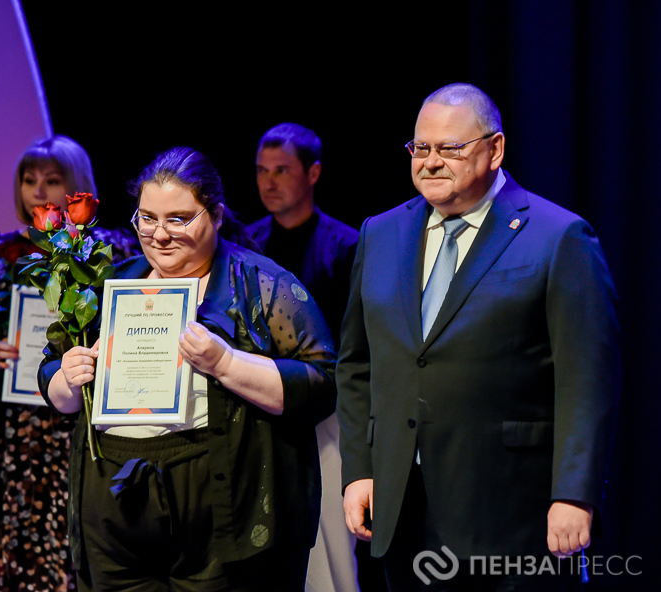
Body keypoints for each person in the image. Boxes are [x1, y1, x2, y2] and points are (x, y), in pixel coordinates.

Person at [337, 83, 620, 591]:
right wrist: (358, 469)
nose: (431, 162)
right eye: (421, 148)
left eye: (450, 148)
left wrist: (574, 493)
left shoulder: (558, 237)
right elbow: (357, 364)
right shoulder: (380, 233)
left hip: (511, 514)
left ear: (495, 149)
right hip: (403, 508)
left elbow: (587, 380)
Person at [39, 147, 337, 591]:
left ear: (215, 215)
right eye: (147, 218)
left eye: (178, 219)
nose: (159, 234)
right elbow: (52, 378)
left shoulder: (261, 285)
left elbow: (322, 383)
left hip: (216, 509)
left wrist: (226, 363)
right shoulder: (110, 285)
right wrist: (67, 379)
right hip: (113, 513)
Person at [0, 135, 138, 592]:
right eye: (28, 180)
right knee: (4, 533)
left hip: (78, 415)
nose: (38, 190)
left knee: (73, 536)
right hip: (8, 425)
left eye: (52, 181)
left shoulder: (109, 252)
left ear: (77, 186)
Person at [246, 123, 366, 592]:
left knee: (329, 551)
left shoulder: (346, 246)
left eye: (282, 170)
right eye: (261, 170)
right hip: (260, 409)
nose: (269, 182)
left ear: (313, 173)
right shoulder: (247, 245)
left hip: (327, 415)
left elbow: (358, 342)